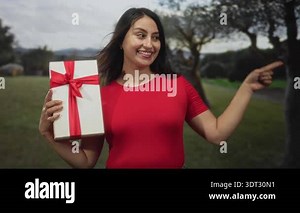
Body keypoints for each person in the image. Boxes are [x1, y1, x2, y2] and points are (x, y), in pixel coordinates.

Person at [39, 7, 283, 169]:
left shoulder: (177, 86)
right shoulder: (98, 97)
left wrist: (246, 88)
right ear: (121, 41)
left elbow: (217, 133)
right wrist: (49, 135)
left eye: (155, 37)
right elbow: (85, 161)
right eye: (140, 35)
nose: (149, 44)